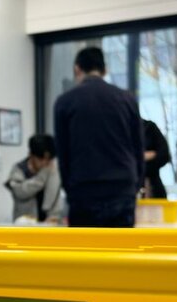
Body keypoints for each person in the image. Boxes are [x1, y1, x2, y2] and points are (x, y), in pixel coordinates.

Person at [54, 47, 144, 227]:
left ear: (77, 69)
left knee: (86, 252)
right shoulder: (127, 99)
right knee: (121, 251)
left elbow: (63, 153)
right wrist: (135, 186)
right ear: (105, 70)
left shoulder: (65, 102)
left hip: (84, 190)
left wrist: (70, 189)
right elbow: (138, 147)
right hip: (122, 187)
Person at [4, 134, 63, 222]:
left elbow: (56, 198)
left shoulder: (53, 170)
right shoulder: (19, 170)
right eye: (41, 159)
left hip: (50, 223)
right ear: (30, 154)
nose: (45, 163)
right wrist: (42, 177)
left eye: (48, 159)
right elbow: (20, 193)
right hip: (26, 225)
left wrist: (54, 217)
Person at [143, 120, 171, 198]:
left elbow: (164, 155)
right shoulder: (118, 129)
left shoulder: (149, 127)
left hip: (152, 186)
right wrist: (150, 155)